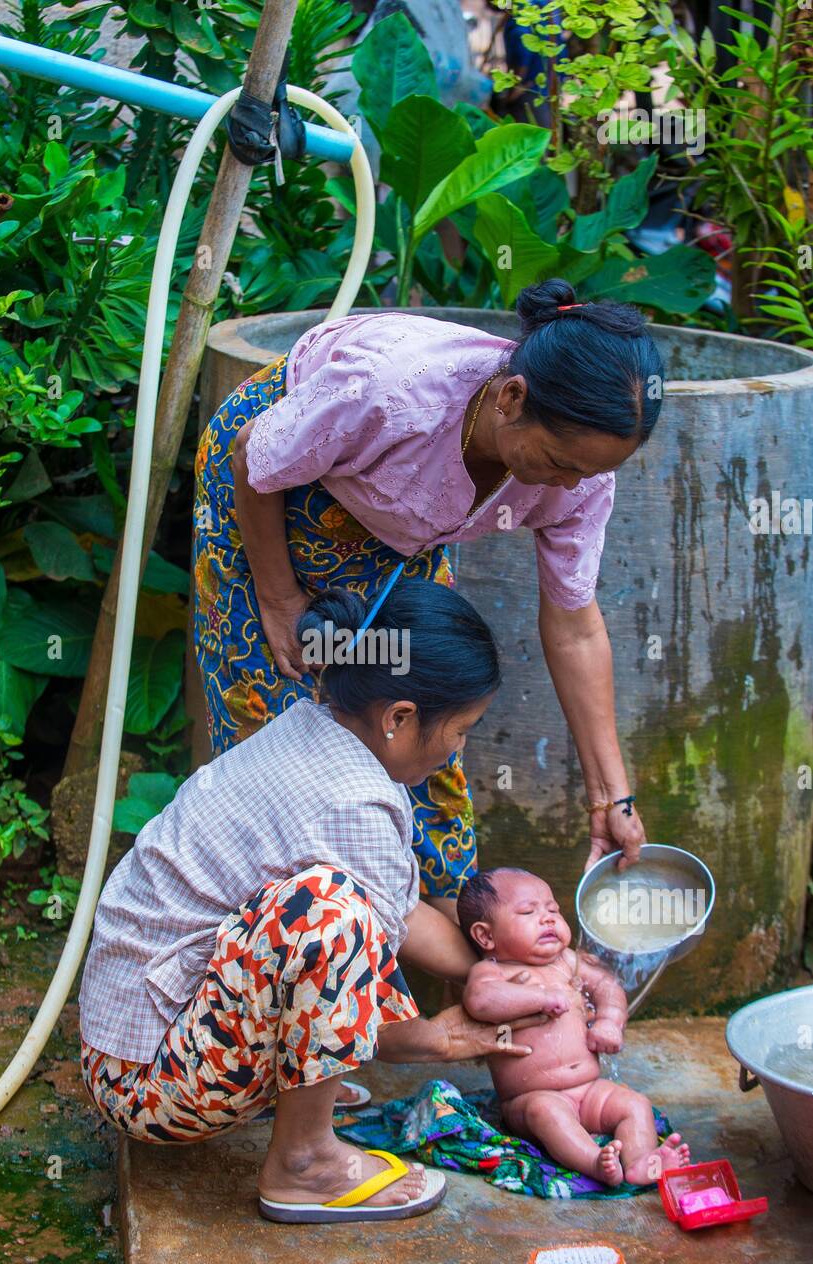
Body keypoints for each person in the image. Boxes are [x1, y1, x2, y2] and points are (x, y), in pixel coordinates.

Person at [193, 280, 662, 931]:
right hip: (278, 492)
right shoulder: (391, 393)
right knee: (281, 716)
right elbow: (256, 457)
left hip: (404, 523)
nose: (570, 486)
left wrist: (612, 793)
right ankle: (283, 950)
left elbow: (576, 626)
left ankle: (431, 948)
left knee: (424, 721)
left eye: (586, 473)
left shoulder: (577, 477)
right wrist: (276, 599)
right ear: (511, 398)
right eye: (558, 462)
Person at [79, 580, 548, 1223]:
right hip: (149, 1088)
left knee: (334, 911)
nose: (457, 750)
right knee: (325, 912)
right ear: (399, 718)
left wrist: (521, 968)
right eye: (461, 731)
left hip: (142, 1042)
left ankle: (283, 1100)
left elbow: (403, 915)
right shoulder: (349, 801)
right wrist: (438, 1038)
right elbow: (359, 965)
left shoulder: (314, 730)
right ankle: (305, 1164)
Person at [459, 867, 691, 1186]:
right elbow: (481, 1000)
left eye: (553, 909)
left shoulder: (567, 961)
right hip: (531, 1098)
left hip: (588, 1088)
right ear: (486, 936)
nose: (548, 918)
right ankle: (594, 1162)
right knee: (549, 1114)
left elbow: (608, 986)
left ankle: (641, 1161)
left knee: (635, 1104)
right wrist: (535, 998)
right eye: (529, 911)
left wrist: (610, 1021)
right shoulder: (493, 972)